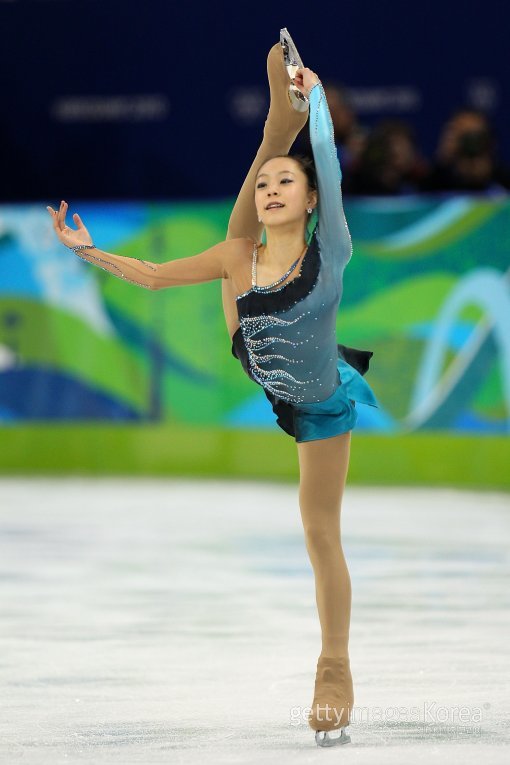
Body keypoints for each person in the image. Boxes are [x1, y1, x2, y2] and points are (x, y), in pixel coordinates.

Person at [46, 36, 379, 748]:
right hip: (250, 328)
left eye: (284, 183)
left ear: (312, 197)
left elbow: (332, 170)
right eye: (265, 183)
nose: (270, 191)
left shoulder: (333, 248)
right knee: (236, 243)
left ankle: (334, 666)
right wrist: (85, 251)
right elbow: (157, 274)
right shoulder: (239, 251)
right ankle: (275, 122)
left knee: (321, 534)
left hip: (320, 403)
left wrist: (316, 99)